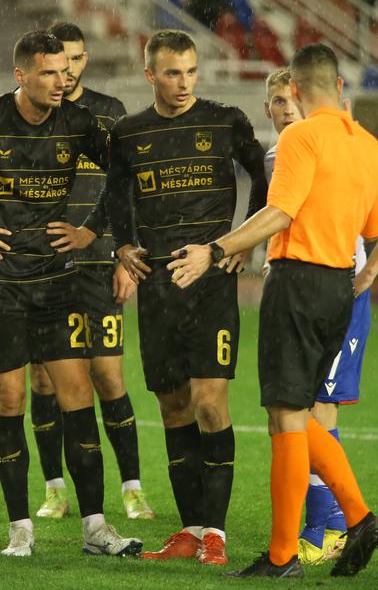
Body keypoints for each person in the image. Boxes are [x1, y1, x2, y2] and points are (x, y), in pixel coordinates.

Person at [170, 43, 378, 578]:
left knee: (286, 416)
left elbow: (280, 210)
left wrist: (217, 249)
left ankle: (286, 553)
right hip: (341, 287)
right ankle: (353, 523)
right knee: (291, 416)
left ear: (295, 90)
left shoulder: (299, 135)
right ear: (340, 87)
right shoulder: (369, 146)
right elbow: (376, 226)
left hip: (298, 283)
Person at [0, 30, 141, 558]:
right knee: (9, 399)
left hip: (57, 280)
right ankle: (20, 528)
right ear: (21, 76)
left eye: (66, 71)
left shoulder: (79, 123)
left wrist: (93, 230)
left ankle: (96, 527)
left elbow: (121, 176)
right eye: (51, 73)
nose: (64, 80)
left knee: (78, 397)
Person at [105, 29, 268, 565]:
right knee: (173, 405)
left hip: (212, 283)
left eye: (191, 71)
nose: (183, 83)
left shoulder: (226, 120)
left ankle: (215, 536)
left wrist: (243, 240)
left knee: (209, 403)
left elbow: (264, 179)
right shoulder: (129, 133)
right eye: (172, 72)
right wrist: (125, 244)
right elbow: (114, 193)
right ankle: (189, 531)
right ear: (150, 73)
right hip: (157, 286)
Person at [262, 67, 378, 566]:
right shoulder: (279, 154)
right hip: (301, 287)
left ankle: (327, 528)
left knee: (314, 412)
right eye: (279, 102)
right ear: (268, 109)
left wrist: (369, 271)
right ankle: (335, 524)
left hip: (333, 291)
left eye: (293, 100)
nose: (288, 109)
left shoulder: (336, 148)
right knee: (292, 415)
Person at [27, 22, 153, 521]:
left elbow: (127, 189)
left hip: (100, 264)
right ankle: (55, 489)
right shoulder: (31, 113)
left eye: (77, 59)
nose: (70, 70)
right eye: (61, 61)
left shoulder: (109, 113)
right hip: (44, 267)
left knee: (107, 376)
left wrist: (127, 254)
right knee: (42, 380)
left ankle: (133, 487)